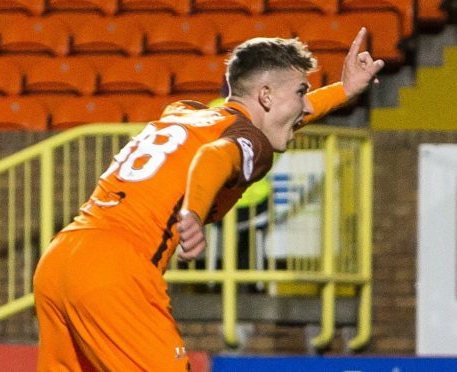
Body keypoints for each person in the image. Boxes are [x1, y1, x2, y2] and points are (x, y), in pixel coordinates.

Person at [33, 27, 383, 371]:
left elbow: (255, 129)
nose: (306, 105)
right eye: (300, 92)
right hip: (115, 270)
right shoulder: (248, 141)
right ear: (265, 95)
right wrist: (194, 214)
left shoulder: (185, 112)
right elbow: (216, 157)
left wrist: (346, 90)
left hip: (61, 259)